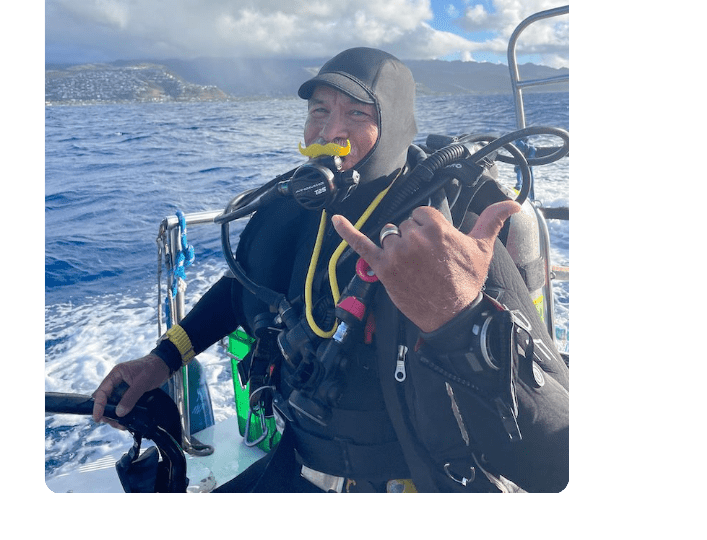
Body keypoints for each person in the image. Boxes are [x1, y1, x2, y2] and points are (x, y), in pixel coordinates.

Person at [92, 47, 569, 492]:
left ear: (396, 124)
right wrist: (161, 360)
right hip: (298, 462)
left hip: (413, 479)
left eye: (357, 113)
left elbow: (553, 459)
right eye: (319, 110)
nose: (329, 130)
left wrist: (457, 318)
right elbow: (241, 289)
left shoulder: (450, 232)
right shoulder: (294, 209)